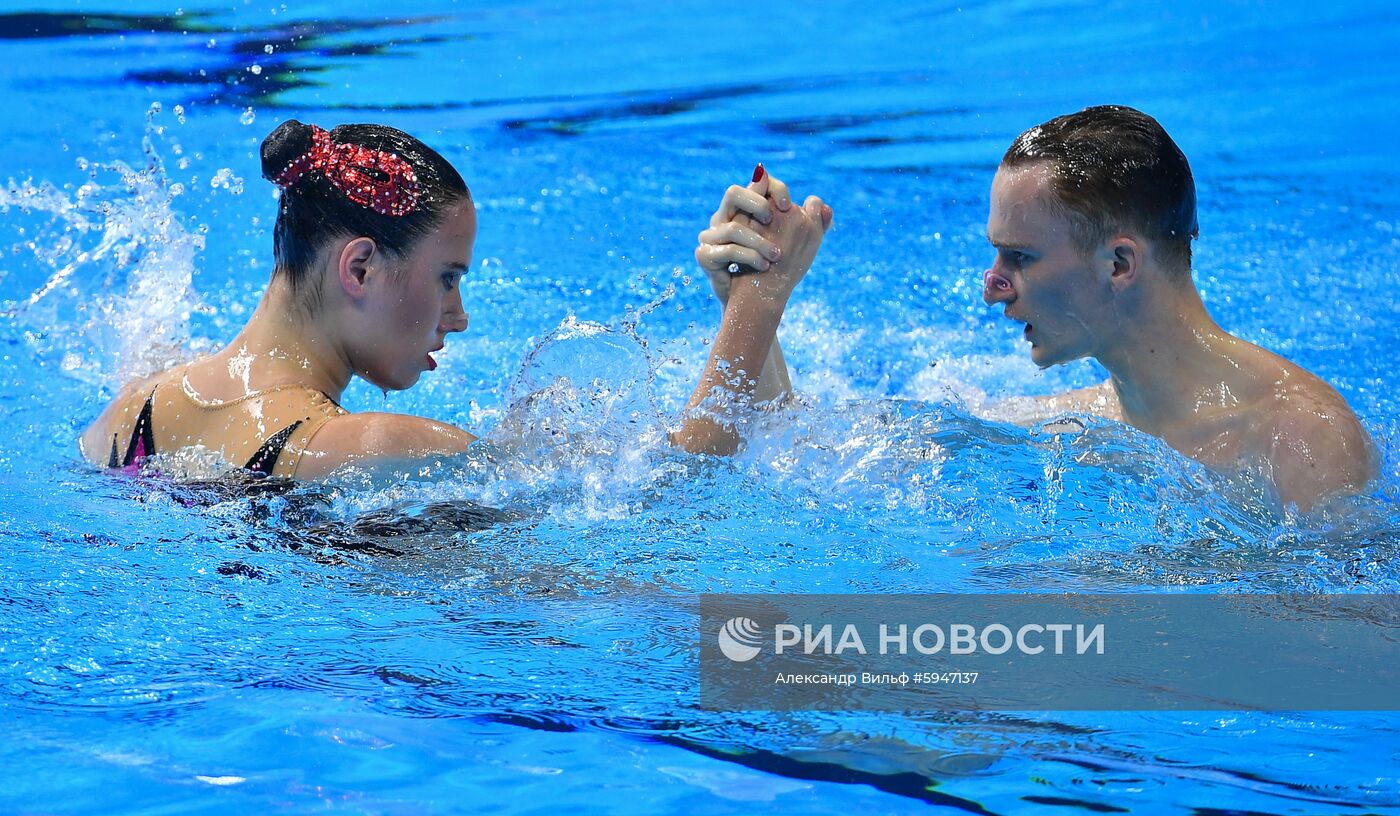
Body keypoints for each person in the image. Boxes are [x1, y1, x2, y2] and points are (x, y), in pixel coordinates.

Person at [701, 106, 1372, 510]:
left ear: (1119, 264)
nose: (991, 285)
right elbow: (782, 449)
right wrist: (754, 299)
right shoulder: (1070, 424)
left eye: (1018, 257)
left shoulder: (1305, 445)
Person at [79, 121, 829, 479]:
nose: (459, 314)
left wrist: (739, 301)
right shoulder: (367, 445)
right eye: (447, 277)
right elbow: (684, 488)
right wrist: (760, 302)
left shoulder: (129, 412)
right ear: (361, 268)